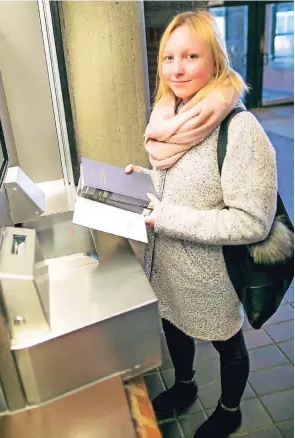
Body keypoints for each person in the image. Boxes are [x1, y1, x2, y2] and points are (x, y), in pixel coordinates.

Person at [125, 10, 277, 438]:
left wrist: (167, 216)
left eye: (191, 56)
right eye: (169, 57)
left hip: (212, 277)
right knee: (173, 328)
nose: (177, 68)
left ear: (215, 60)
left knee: (228, 346)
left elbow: (252, 221)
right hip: (167, 264)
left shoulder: (239, 128)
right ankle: (185, 387)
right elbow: (182, 184)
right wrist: (145, 180)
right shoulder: (171, 116)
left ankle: (230, 412)